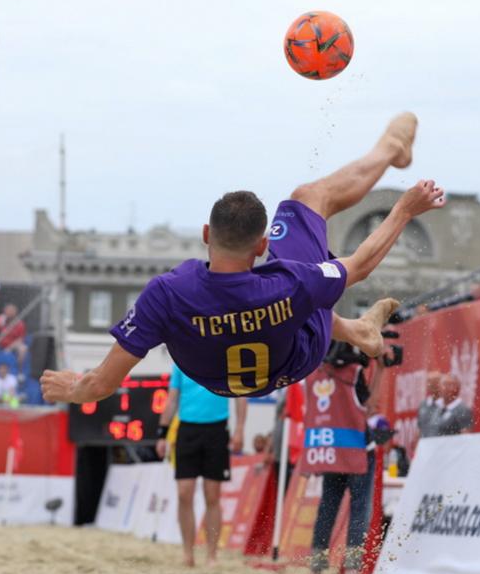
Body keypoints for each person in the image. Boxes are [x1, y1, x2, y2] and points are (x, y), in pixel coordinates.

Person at [40, 113, 444, 405]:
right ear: (262, 245)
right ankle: (390, 151)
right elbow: (360, 265)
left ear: (205, 235)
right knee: (308, 199)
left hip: (215, 380)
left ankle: (357, 331)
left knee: (299, 293)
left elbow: (100, 386)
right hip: (297, 360)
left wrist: (72, 389)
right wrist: (404, 209)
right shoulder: (288, 282)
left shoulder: (167, 293)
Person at [155, 364, 247, 567]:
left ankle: (211, 555)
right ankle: (187, 553)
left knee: (212, 495)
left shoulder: (226, 358)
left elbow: (241, 396)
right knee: (184, 493)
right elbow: (172, 399)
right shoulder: (181, 361)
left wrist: (240, 429)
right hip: (187, 429)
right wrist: (162, 433)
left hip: (217, 429)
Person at [303, 343, 382, 574]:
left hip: (332, 450)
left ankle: (316, 566)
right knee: (359, 508)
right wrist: (381, 369)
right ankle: (352, 569)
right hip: (357, 449)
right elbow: (370, 407)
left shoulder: (316, 374)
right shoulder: (354, 373)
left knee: (328, 507)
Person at [417, 372, 473, 437]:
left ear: (456, 388)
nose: (441, 388)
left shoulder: (462, 410)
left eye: (446, 385)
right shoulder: (437, 408)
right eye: (442, 385)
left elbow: (466, 436)